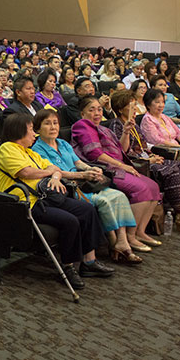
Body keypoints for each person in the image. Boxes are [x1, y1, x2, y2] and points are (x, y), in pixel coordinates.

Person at [0, 113, 114, 289]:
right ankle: (68, 267)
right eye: (30, 130)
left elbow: (55, 168)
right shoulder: (7, 149)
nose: (34, 134)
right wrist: (49, 173)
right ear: (19, 131)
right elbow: (26, 172)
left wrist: (55, 177)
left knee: (87, 209)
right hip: (25, 203)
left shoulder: (29, 152)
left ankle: (89, 262)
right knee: (70, 221)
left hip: (46, 196)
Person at [31, 109, 142, 264]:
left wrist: (91, 168)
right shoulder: (37, 149)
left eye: (55, 123)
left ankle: (122, 241)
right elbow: (54, 172)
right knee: (104, 201)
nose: (53, 127)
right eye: (47, 124)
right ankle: (113, 242)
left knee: (119, 195)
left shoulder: (62, 143)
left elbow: (78, 163)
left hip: (84, 182)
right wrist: (83, 175)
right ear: (37, 129)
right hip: (68, 188)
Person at [71, 96, 162, 250]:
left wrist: (125, 132)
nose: (97, 113)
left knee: (153, 187)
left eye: (99, 109)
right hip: (105, 170)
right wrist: (122, 166)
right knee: (141, 189)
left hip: (118, 167)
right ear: (82, 114)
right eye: (91, 110)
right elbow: (95, 154)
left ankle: (140, 232)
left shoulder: (104, 128)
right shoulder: (82, 125)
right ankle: (130, 236)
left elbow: (122, 150)